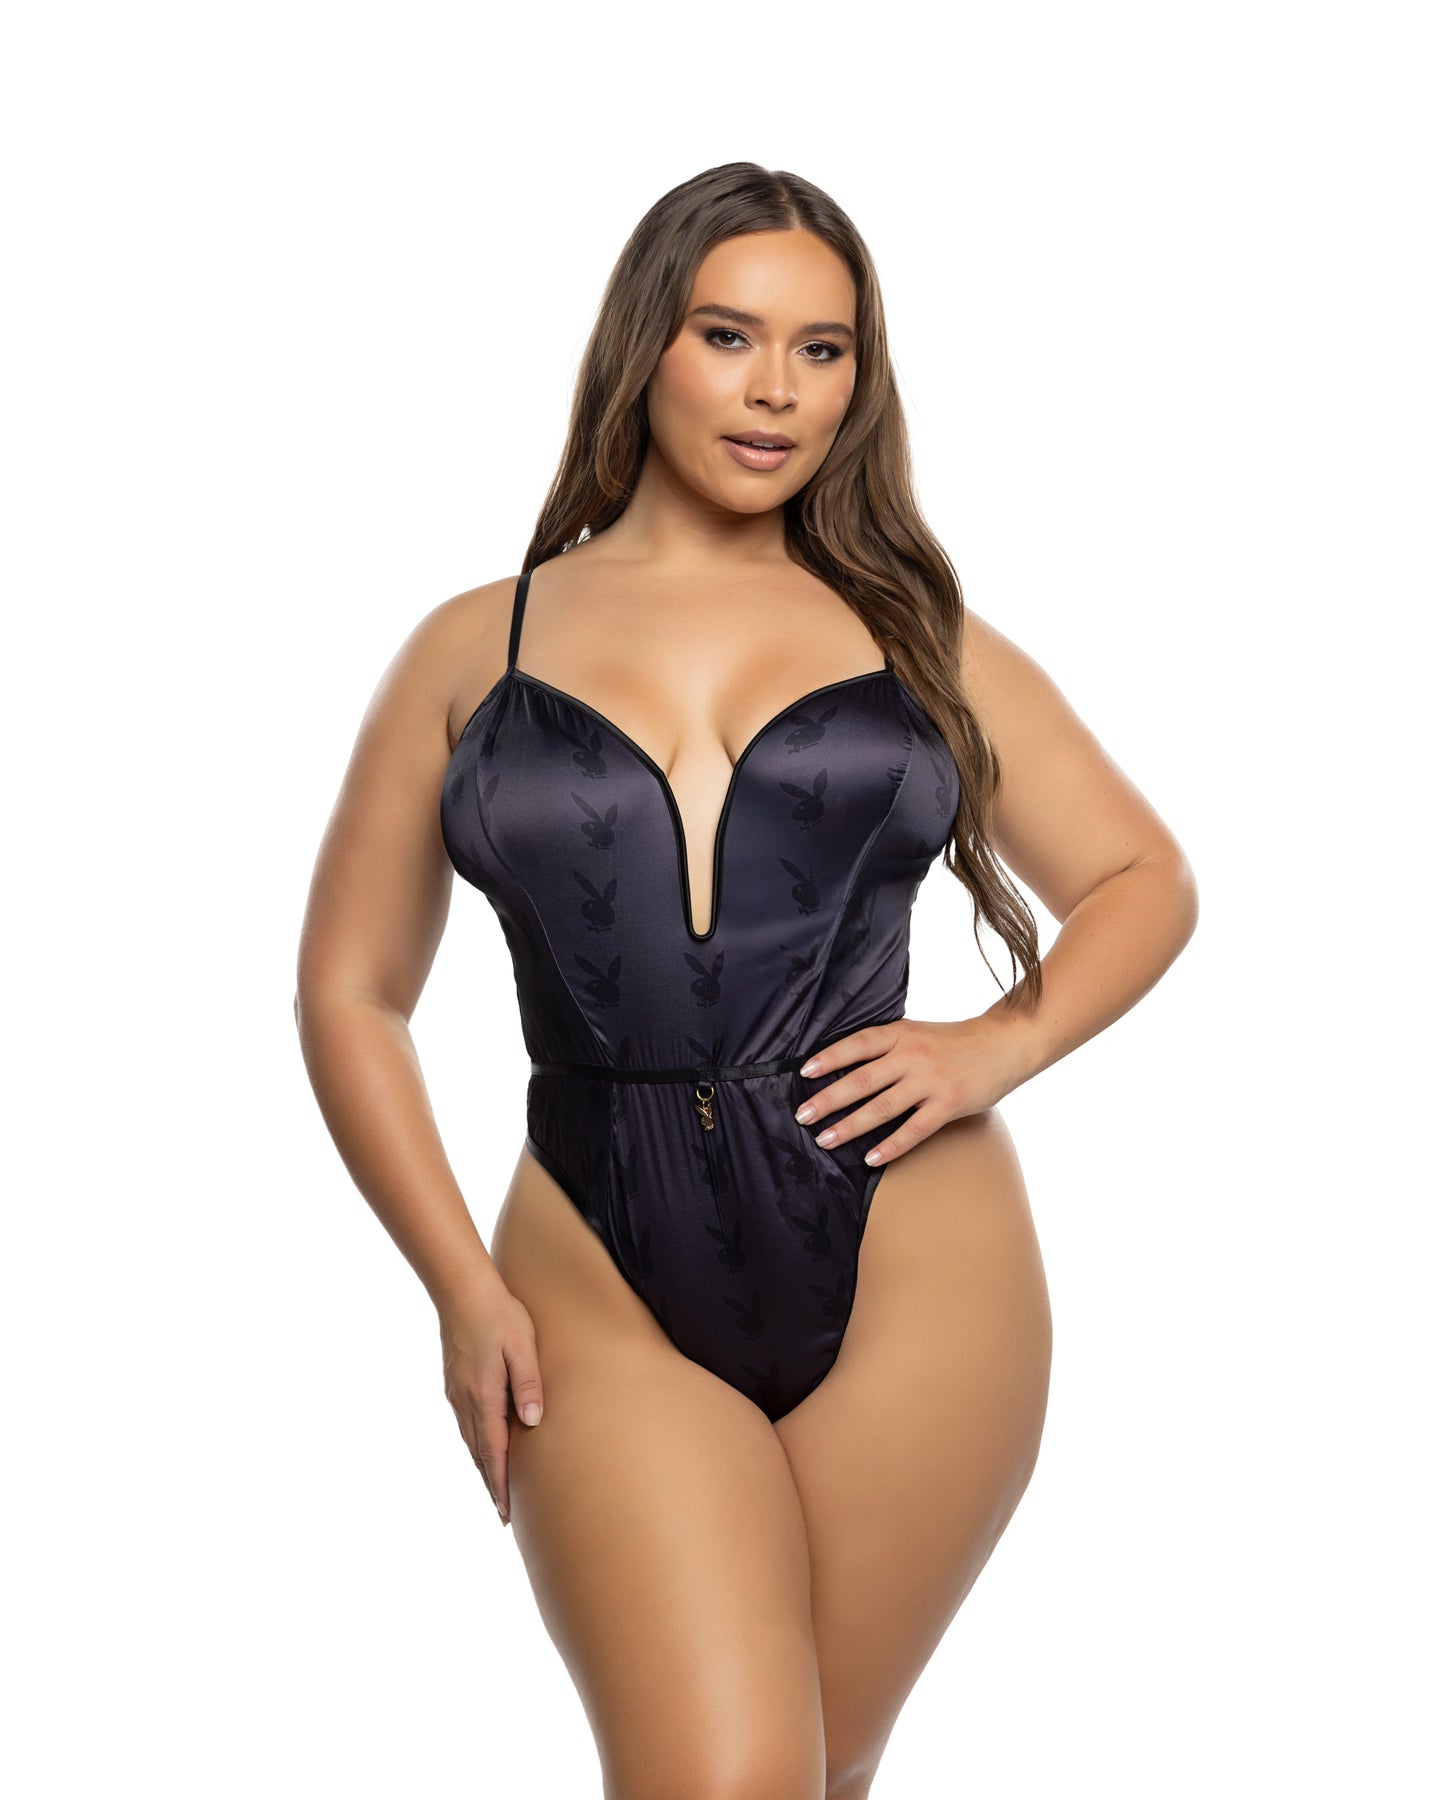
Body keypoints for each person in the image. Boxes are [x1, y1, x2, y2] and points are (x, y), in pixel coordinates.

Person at [294, 162, 1199, 1798]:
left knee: (810, 1777)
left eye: (822, 349)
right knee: (724, 1777)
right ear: (646, 344)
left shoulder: (916, 634)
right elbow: (352, 991)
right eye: (729, 336)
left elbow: (1144, 879)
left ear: (860, 378)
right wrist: (458, 1287)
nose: (777, 388)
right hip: (589, 1268)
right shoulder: (473, 649)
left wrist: (992, 1049)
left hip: (919, 1253)